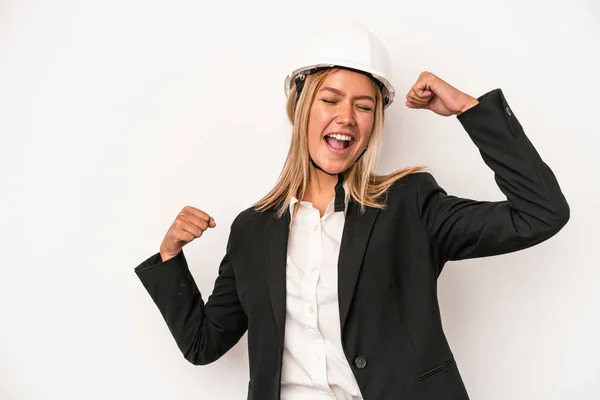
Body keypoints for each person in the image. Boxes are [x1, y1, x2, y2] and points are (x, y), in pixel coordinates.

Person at [134, 21, 569, 400]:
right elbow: (203, 344)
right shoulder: (253, 229)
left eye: (364, 106)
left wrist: (468, 110)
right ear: (301, 107)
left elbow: (540, 213)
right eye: (331, 100)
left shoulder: (407, 204)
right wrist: (170, 254)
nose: (347, 117)